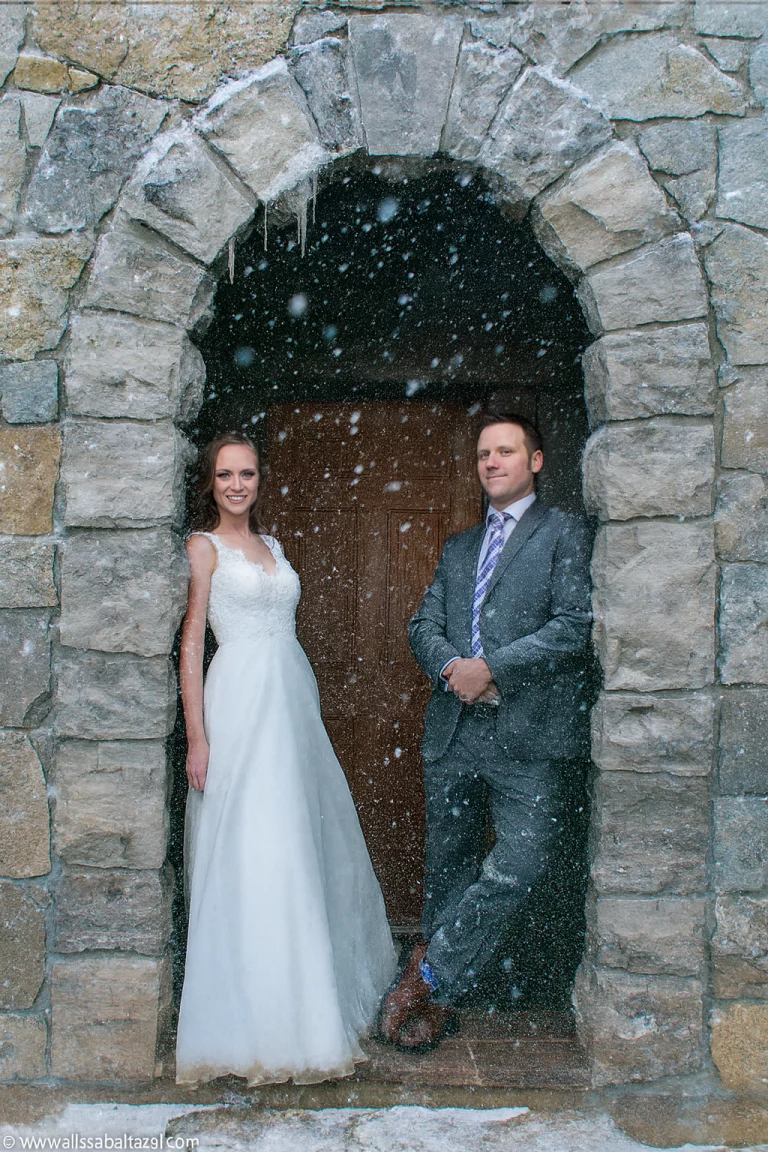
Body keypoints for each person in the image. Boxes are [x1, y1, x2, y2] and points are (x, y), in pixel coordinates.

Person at [175, 432, 396, 1087]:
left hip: (291, 706)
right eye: (226, 475)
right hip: (238, 704)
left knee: (298, 843)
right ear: (211, 483)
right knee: (250, 849)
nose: (237, 484)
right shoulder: (203, 548)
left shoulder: (272, 548)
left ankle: (307, 1007)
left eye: (247, 473)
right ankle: (251, 1023)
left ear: (259, 480)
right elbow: (192, 642)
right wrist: (197, 736)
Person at [380, 408, 592, 1051]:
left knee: (520, 865)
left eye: (505, 451)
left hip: (528, 738)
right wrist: (452, 668)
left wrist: (493, 667)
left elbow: (574, 625)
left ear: (536, 461)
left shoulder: (564, 534)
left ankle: (429, 969)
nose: (491, 463)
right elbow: (422, 626)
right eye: (483, 455)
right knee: (448, 870)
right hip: (454, 733)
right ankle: (437, 1001)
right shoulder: (460, 547)